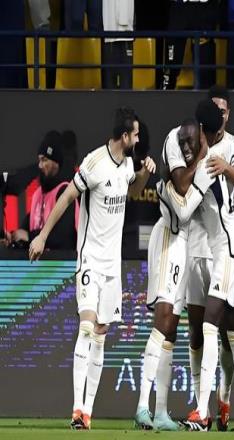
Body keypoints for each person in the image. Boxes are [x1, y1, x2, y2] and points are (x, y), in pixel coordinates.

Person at [29, 107, 156, 430]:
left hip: (113, 264)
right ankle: (76, 409)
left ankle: (87, 412)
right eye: (135, 134)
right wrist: (42, 236)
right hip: (89, 260)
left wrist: (144, 174)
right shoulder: (94, 163)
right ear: (124, 136)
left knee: (100, 334)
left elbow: (131, 191)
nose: (138, 139)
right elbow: (66, 198)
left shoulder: (127, 164)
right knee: (86, 328)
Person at [182, 87, 234, 432]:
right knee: (228, 332)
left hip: (227, 250)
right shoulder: (201, 158)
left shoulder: (215, 159)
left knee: (212, 326)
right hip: (215, 249)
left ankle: (203, 410)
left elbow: (187, 206)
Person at [134, 119, 214, 431]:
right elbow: (181, 194)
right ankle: (142, 405)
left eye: (191, 143)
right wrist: (204, 158)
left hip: (184, 244)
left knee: (171, 331)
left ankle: (161, 412)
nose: (185, 148)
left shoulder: (193, 156)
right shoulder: (173, 145)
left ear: (201, 136)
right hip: (169, 237)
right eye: (183, 143)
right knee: (163, 319)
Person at [8, 131, 78, 250]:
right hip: (38, 260)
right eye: (39, 160)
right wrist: (13, 236)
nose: (40, 165)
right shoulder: (38, 193)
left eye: (44, 160)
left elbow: (64, 238)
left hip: (63, 261)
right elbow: (25, 228)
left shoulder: (66, 191)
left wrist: (30, 236)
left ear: (56, 163)